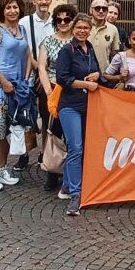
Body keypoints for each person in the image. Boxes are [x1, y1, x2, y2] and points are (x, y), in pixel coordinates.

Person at [0, 0, 33, 193]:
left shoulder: (22, 30)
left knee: (7, 129)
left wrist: (26, 79)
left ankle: (1, 168)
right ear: (3, 10)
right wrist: (3, 80)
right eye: (9, 7)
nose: (13, 11)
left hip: (17, 85)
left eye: (15, 7)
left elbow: (28, 55)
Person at [54, 12, 101, 216]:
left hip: (87, 104)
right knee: (76, 147)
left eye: (86, 28)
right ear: (73, 29)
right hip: (70, 105)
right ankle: (75, 194)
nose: (82, 31)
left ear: (90, 30)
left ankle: (66, 185)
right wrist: (86, 84)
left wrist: (97, 75)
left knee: (82, 147)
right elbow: (62, 78)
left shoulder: (89, 49)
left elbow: (97, 70)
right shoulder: (67, 50)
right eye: (79, 28)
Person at [37, 3, 76, 194]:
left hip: (72, 90)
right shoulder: (48, 41)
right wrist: (47, 91)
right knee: (51, 130)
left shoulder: (78, 41)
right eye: (59, 19)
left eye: (67, 19)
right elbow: (42, 67)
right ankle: (52, 170)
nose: (63, 23)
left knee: (71, 133)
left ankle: (69, 172)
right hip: (52, 88)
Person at [15, 0, 53, 172]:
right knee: (26, 117)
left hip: (49, 75)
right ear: (34, 1)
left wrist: (45, 71)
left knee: (47, 117)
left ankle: (45, 154)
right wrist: (38, 67)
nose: (44, 2)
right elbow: (24, 48)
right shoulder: (24, 22)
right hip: (30, 74)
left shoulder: (57, 22)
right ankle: (24, 154)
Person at [87, 0, 122, 70]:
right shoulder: (83, 27)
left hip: (104, 76)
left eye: (104, 9)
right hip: (83, 75)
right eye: (97, 8)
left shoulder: (113, 29)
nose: (101, 11)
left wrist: (111, 74)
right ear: (91, 10)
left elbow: (114, 55)